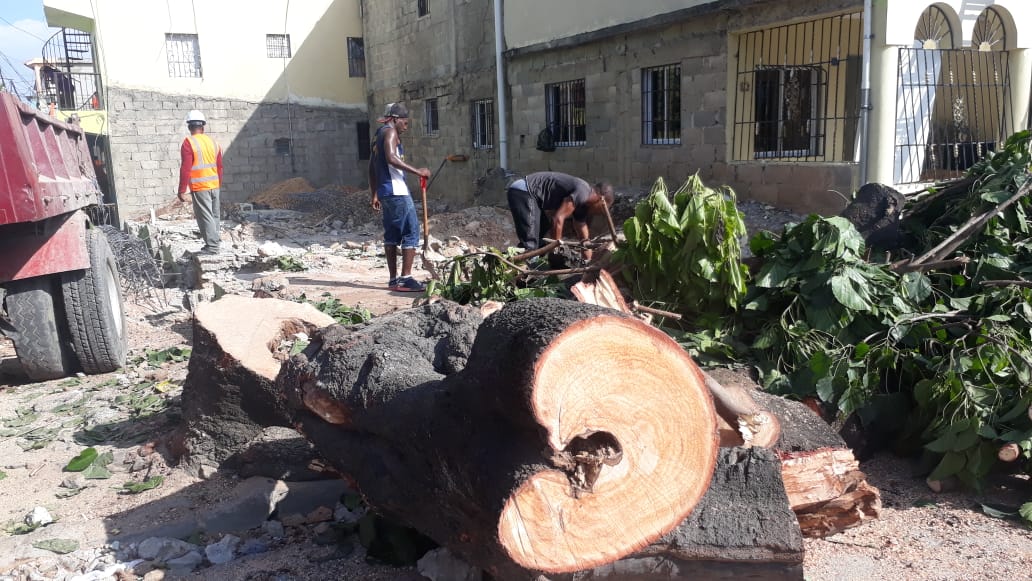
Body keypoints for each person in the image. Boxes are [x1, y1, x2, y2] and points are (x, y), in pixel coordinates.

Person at [368, 103, 431, 292]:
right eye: (405, 122)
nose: (406, 126)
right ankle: (406, 279)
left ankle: (393, 280)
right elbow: (391, 158)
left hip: (386, 192)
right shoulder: (390, 133)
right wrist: (418, 171)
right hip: (397, 191)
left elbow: (372, 166)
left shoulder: (378, 135)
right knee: (411, 232)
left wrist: (375, 192)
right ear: (395, 119)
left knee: (392, 235)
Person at [506, 171, 614, 261]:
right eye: (603, 208)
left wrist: (587, 261)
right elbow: (558, 219)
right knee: (530, 241)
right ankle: (524, 265)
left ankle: (533, 261)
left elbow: (583, 233)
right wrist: (557, 250)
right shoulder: (583, 192)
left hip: (531, 196)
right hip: (524, 191)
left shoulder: (583, 204)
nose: (600, 212)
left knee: (543, 229)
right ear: (601, 199)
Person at [177, 109, 224, 255]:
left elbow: (186, 168)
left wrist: (181, 190)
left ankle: (212, 247)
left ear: (189, 127)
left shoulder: (188, 143)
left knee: (205, 216)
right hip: (214, 185)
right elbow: (219, 166)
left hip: (200, 186)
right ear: (203, 126)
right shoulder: (213, 142)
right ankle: (215, 241)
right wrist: (218, 184)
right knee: (214, 215)